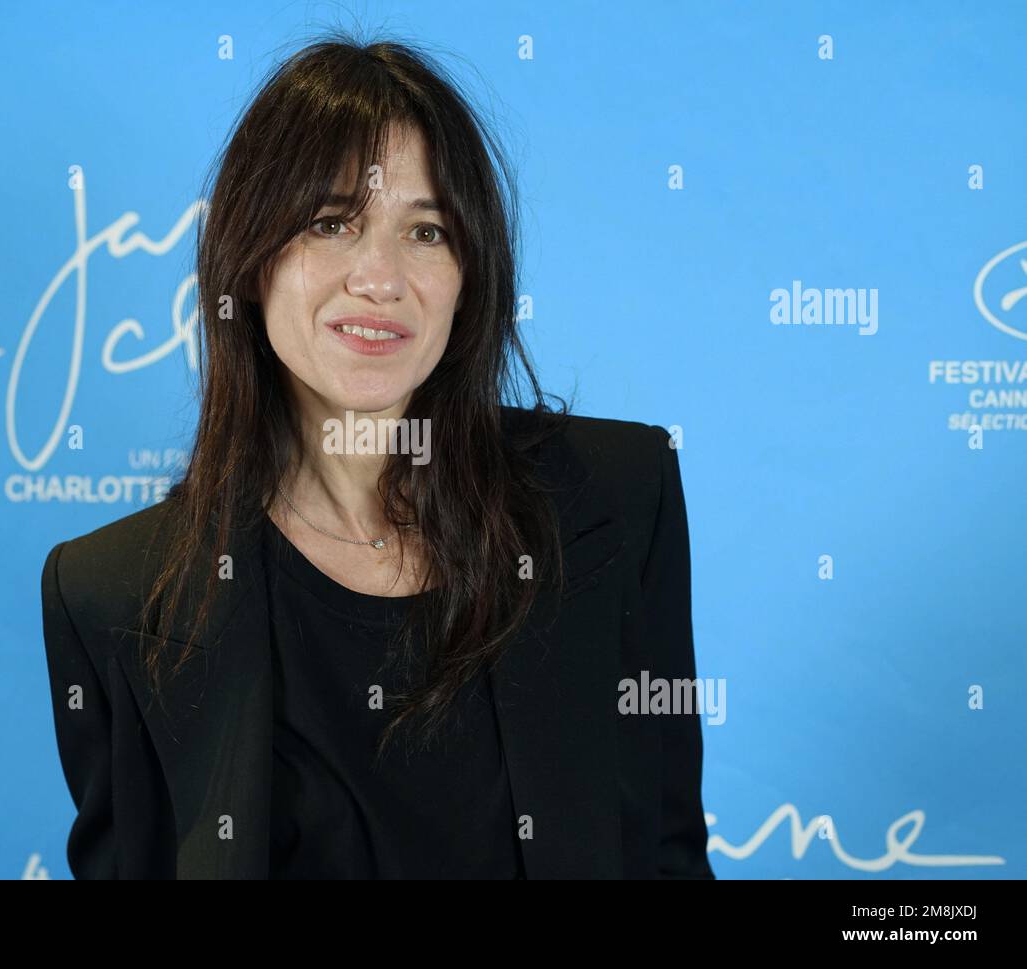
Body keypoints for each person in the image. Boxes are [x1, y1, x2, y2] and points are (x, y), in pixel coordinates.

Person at [40, 32, 714, 879]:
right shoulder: (114, 594)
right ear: (250, 261)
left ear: (473, 273)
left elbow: (667, 857)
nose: (380, 277)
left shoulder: (615, 500)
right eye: (331, 223)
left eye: (426, 231)